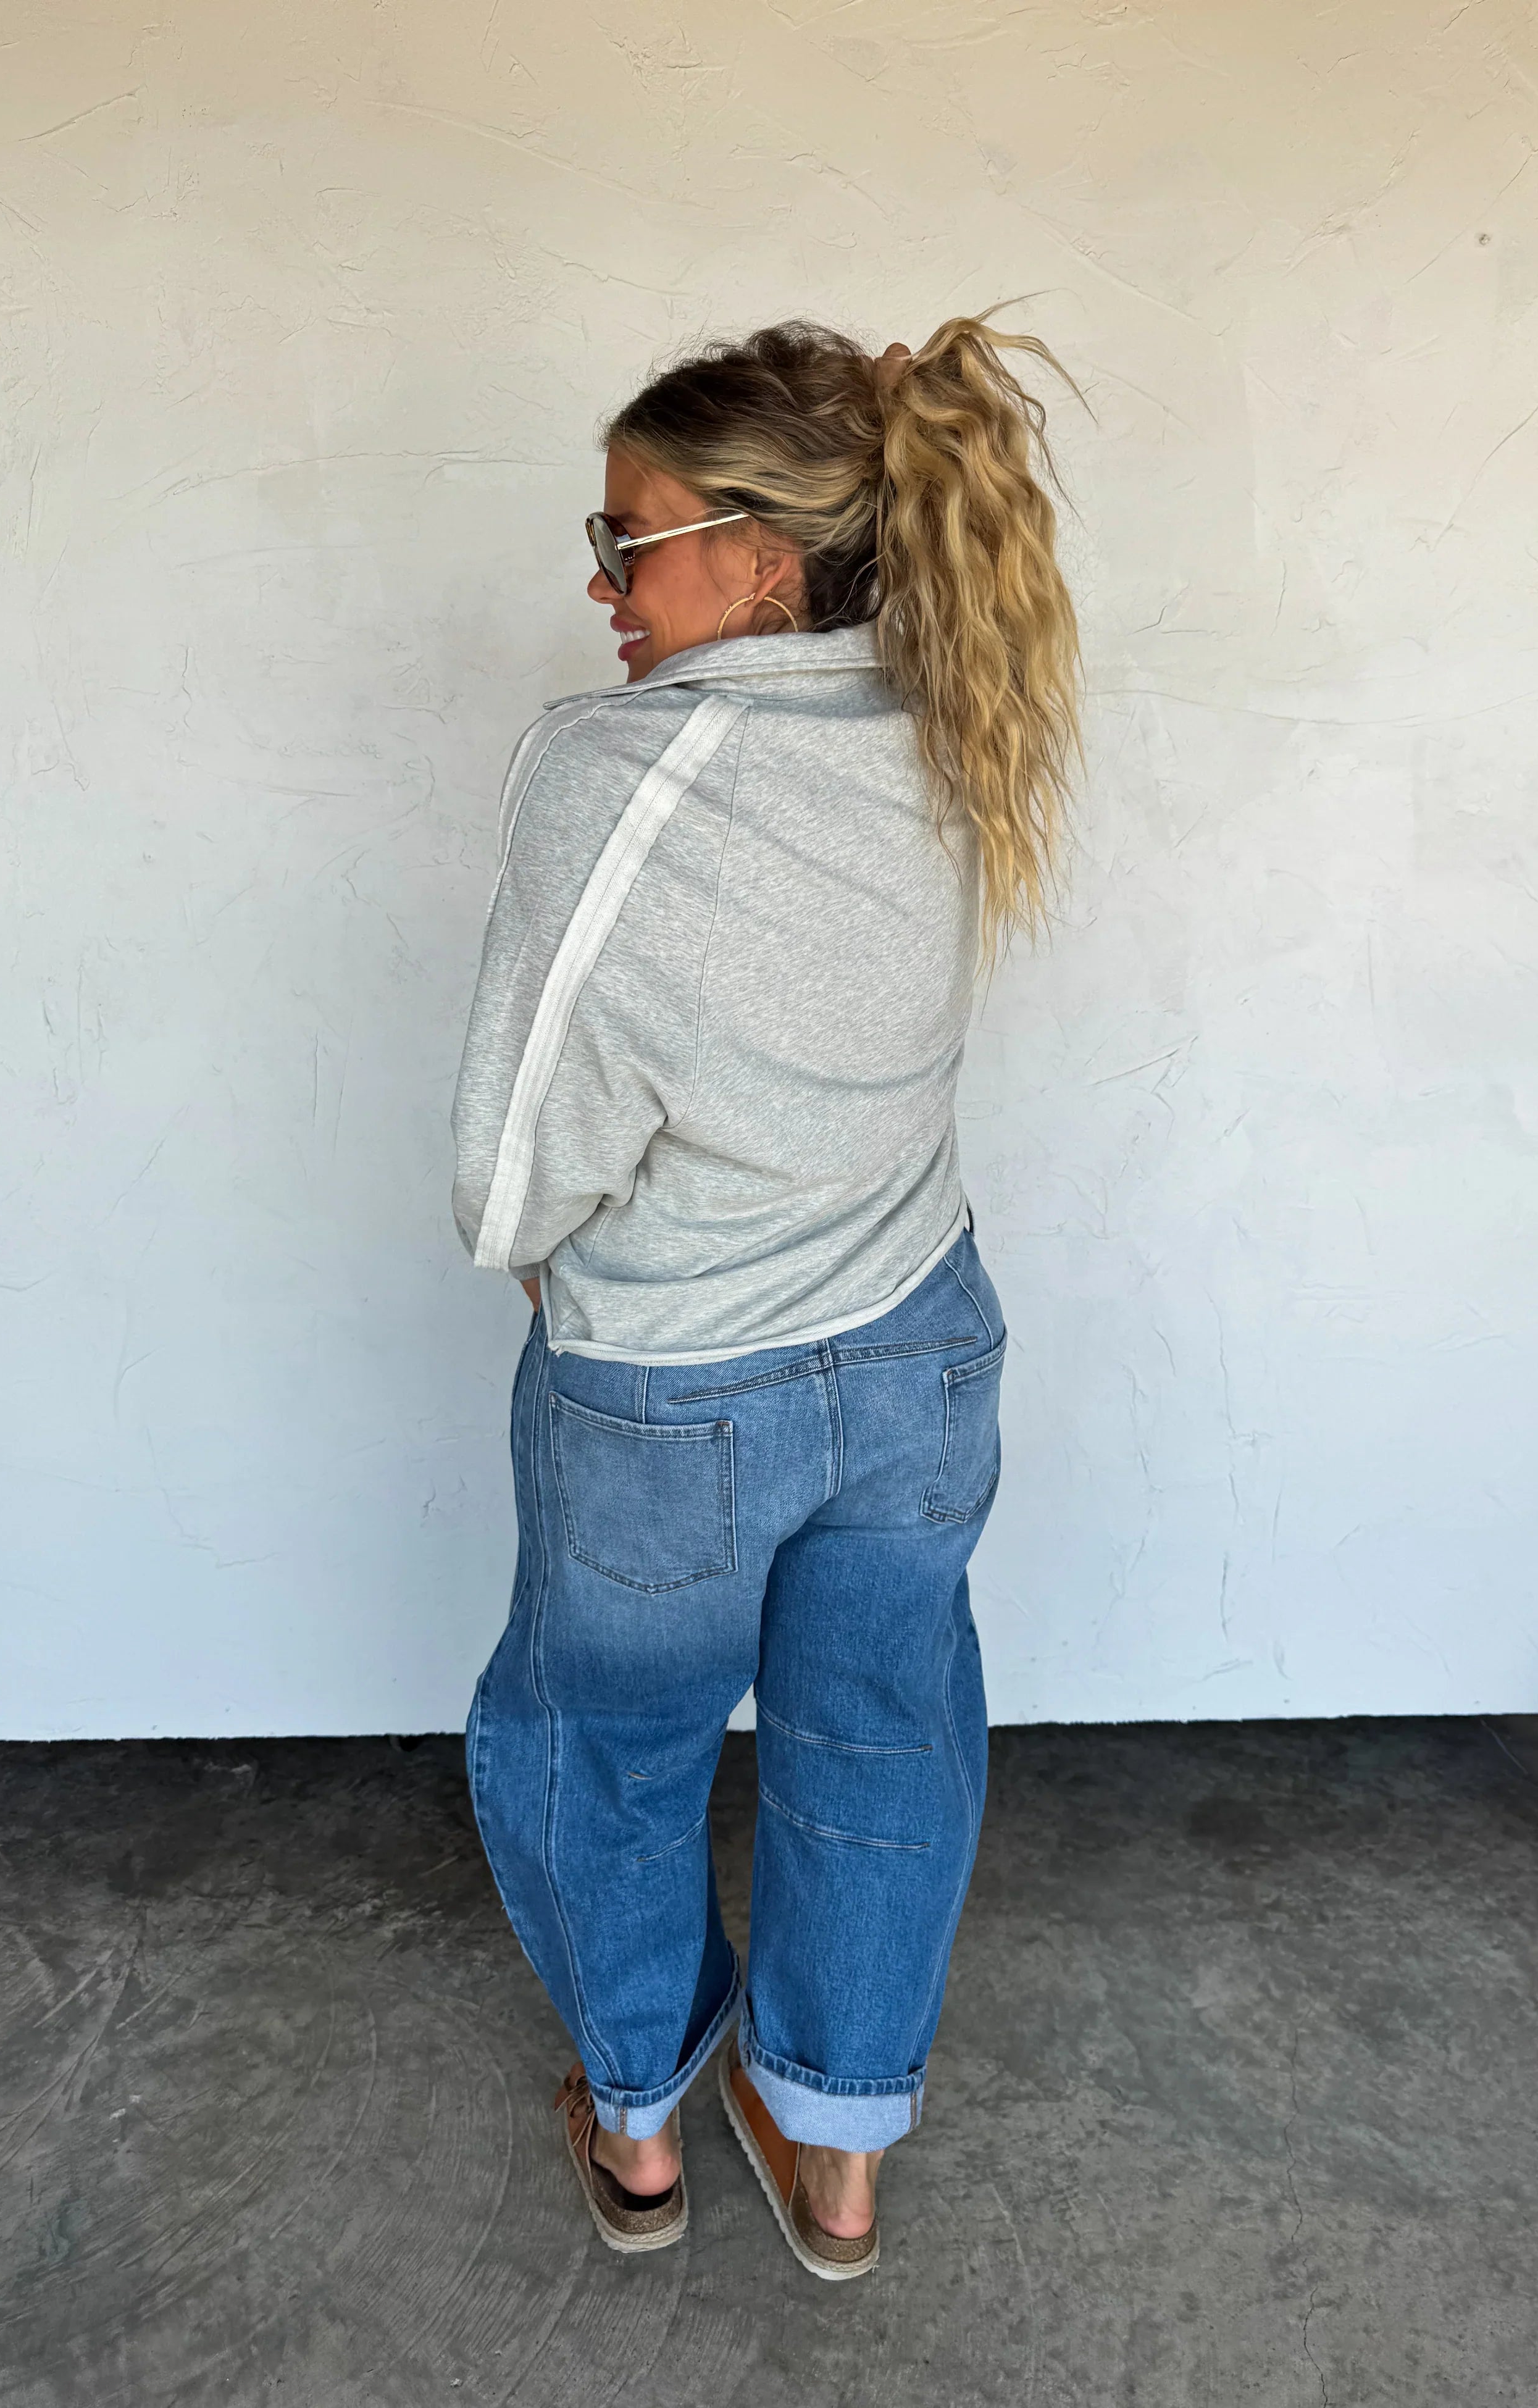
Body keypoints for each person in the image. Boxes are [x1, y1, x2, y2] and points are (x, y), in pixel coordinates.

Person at [450, 315, 1080, 2278]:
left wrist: (551, 1248)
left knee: (607, 1749)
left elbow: (505, 1179)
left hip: (670, 1390)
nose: (602, 584)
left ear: (760, 552)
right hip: (919, 1353)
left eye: (627, 537)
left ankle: (643, 2131)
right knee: (882, 1740)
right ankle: (838, 2160)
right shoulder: (957, 714)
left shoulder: (613, 770)